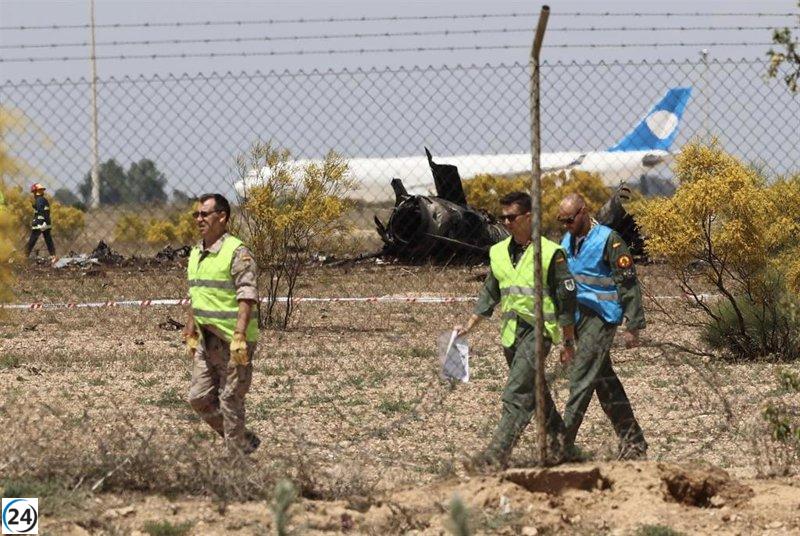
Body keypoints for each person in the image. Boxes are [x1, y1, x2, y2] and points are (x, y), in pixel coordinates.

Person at [455, 191, 578, 469]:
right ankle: (563, 447)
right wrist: (470, 325)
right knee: (536, 392)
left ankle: (494, 458)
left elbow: (567, 300)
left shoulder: (550, 253)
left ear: (529, 217)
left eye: (512, 217)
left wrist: (568, 341)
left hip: (539, 332)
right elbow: (490, 292)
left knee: (516, 393)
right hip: (511, 334)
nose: (506, 223)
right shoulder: (498, 252)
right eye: (503, 218)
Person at [557, 193, 648, 460]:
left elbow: (627, 283)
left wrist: (633, 324)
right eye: (562, 221)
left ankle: (559, 447)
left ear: (583, 212)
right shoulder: (566, 241)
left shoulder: (609, 240)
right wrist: (566, 333)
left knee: (582, 379)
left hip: (601, 317)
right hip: (577, 318)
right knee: (605, 383)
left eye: (570, 220)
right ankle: (634, 443)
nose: (566, 225)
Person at [182, 193, 261, 454]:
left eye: (204, 214)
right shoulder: (196, 253)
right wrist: (190, 330)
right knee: (199, 398)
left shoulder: (237, 252)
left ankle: (236, 459)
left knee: (230, 399)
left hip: (233, 340)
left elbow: (247, 295)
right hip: (207, 338)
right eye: (196, 214)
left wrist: (240, 335)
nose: (199, 219)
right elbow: (196, 294)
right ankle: (242, 440)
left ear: (222, 217)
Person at [25, 183, 56, 260]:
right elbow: (43, 210)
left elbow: (41, 211)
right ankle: (53, 255)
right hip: (46, 224)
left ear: (35, 192)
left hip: (39, 224)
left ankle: (24, 255)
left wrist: (41, 222)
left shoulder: (39, 200)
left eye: (33, 192)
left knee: (32, 240)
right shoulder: (42, 200)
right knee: (48, 240)